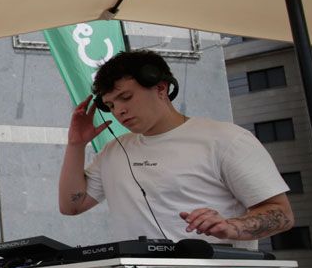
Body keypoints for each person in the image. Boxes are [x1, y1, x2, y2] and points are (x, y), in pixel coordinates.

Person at [58, 48, 294, 248]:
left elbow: (282, 214)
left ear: (161, 89)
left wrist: (232, 227)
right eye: (110, 105)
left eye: (126, 97)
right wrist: (76, 144)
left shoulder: (226, 139)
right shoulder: (113, 151)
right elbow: (72, 206)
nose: (119, 110)